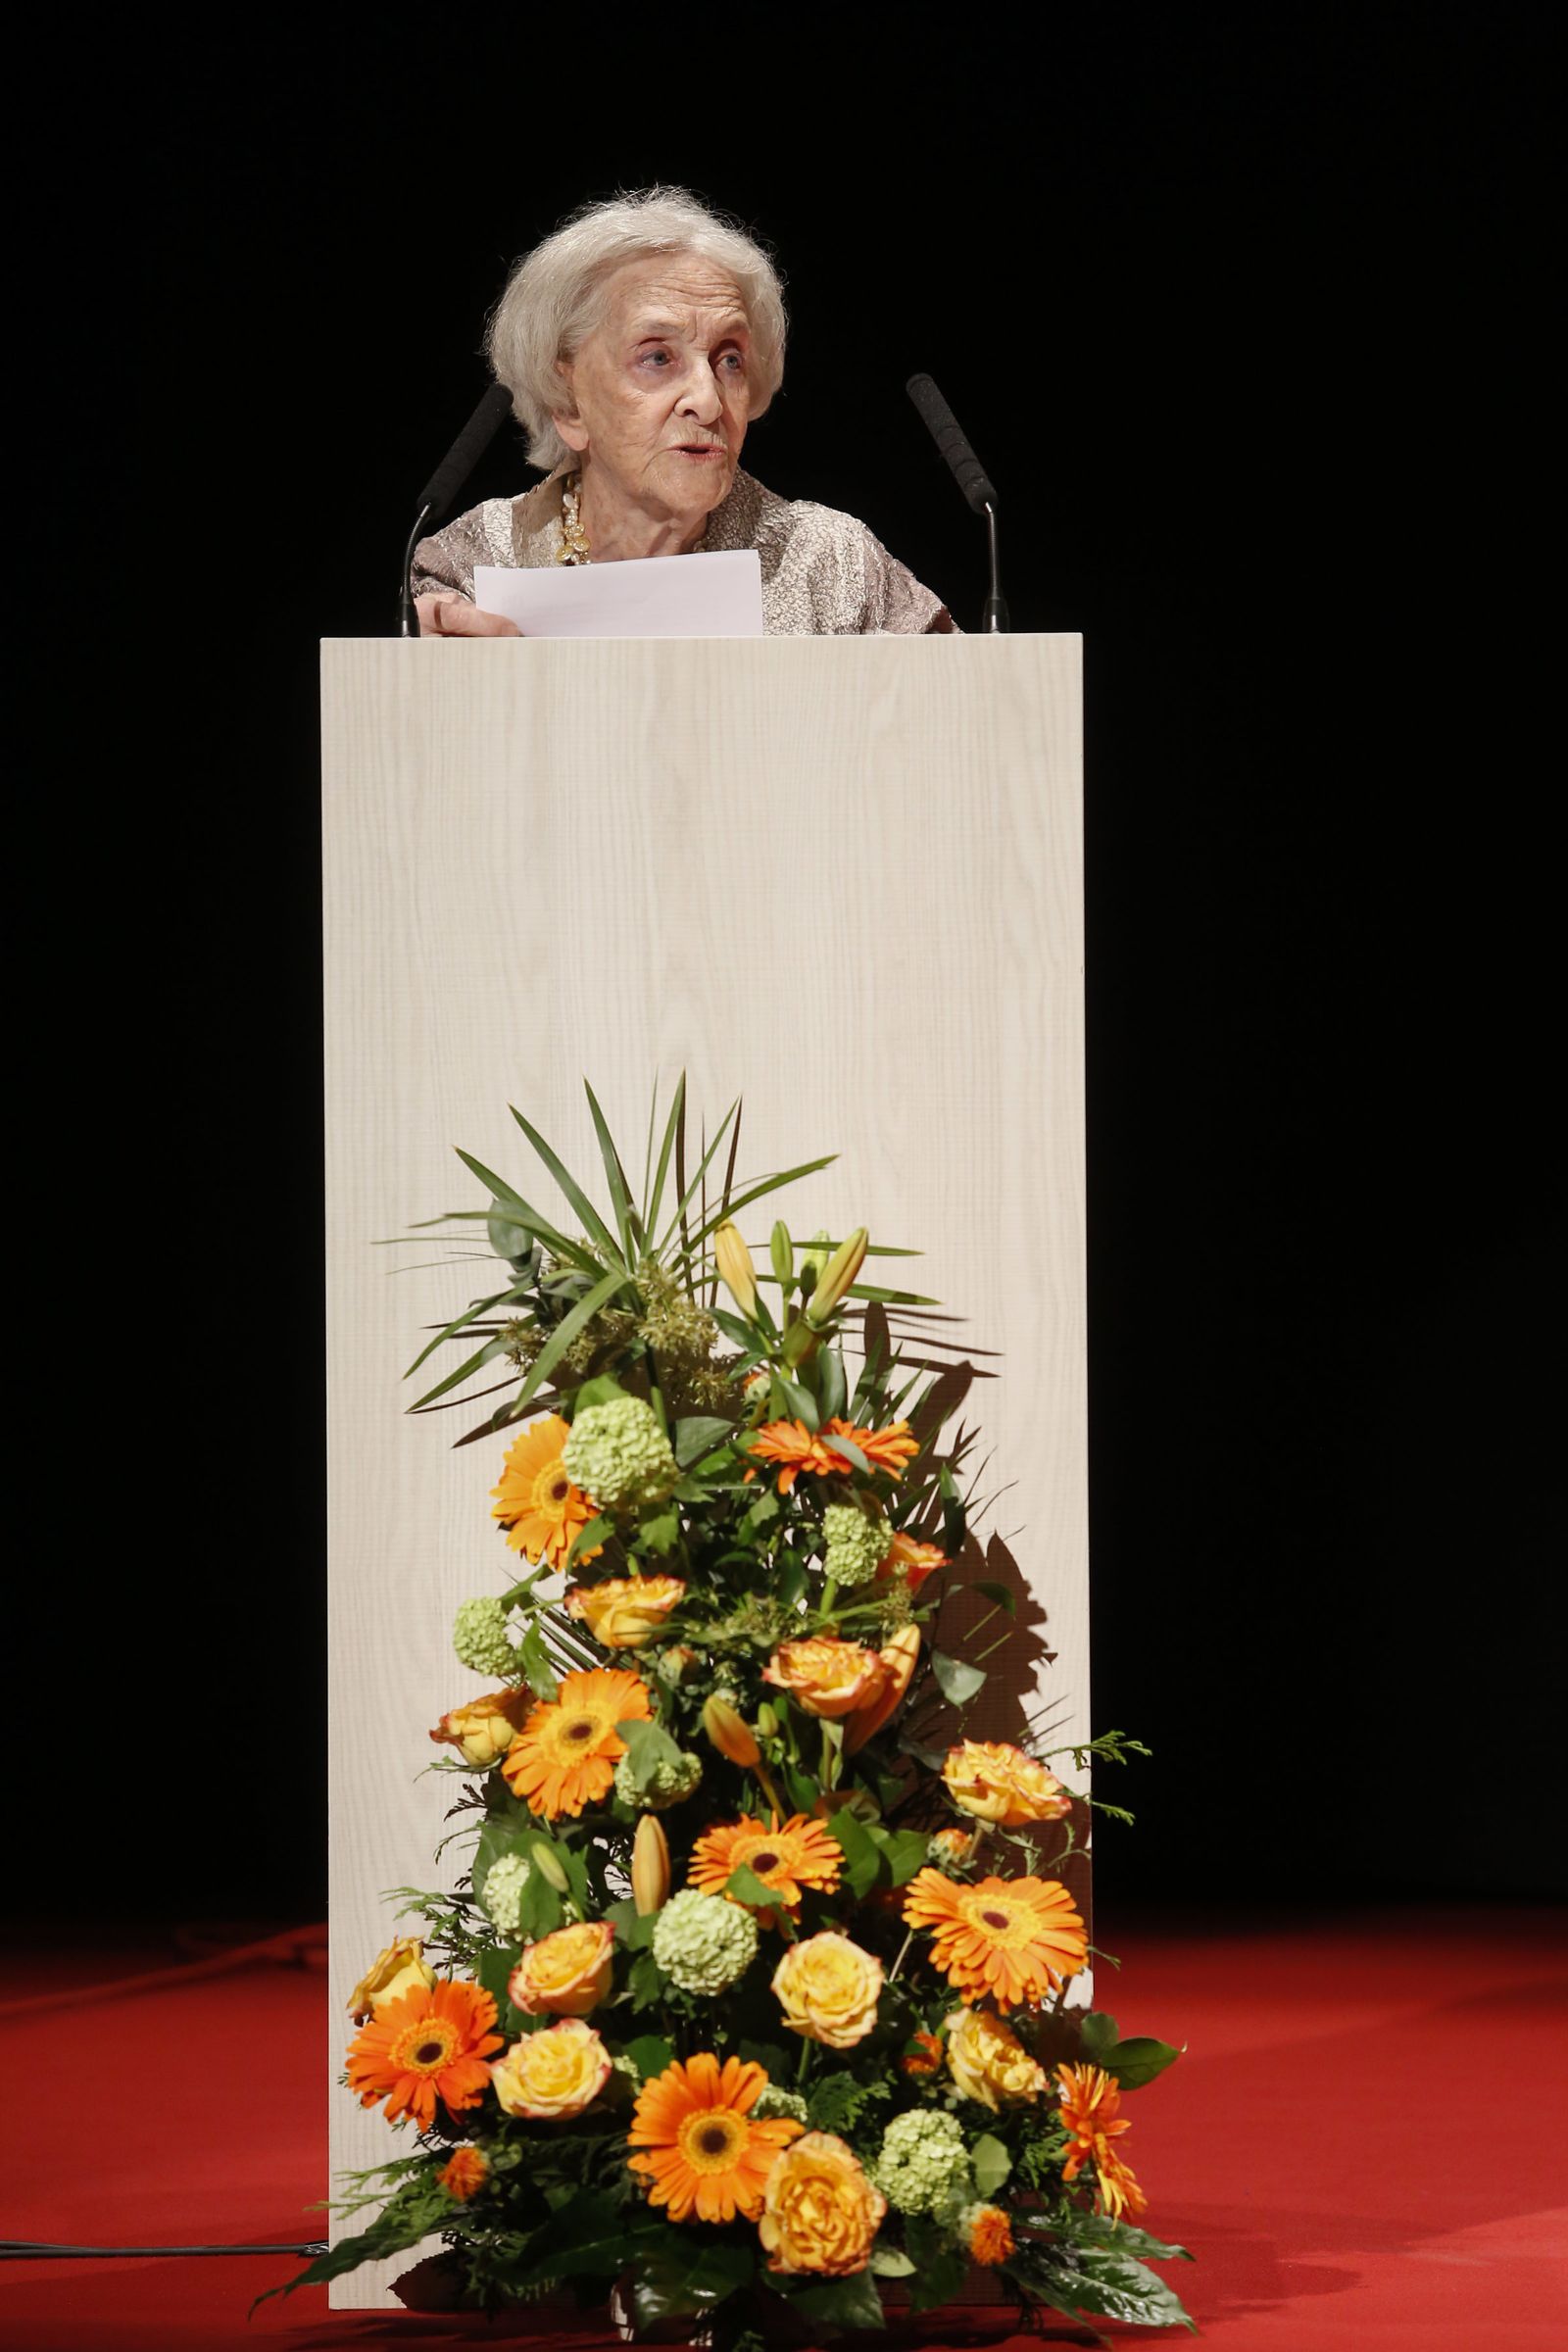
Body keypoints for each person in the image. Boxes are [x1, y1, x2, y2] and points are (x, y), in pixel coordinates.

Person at [413, 187, 954, 638]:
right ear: (567, 402)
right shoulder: (472, 567)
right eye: (657, 357)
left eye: (730, 360)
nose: (708, 400)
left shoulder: (832, 565)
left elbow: (964, 708)